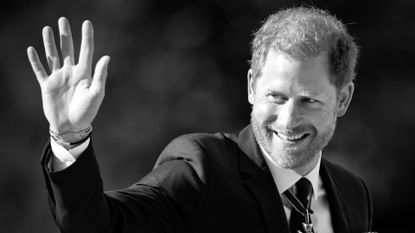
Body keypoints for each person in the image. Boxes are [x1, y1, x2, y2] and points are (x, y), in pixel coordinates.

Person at [28, 6, 373, 233]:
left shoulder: (353, 192)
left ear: (343, 99)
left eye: (309, 100)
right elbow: (97, 226)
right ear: (252, 86)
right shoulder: (203, 168)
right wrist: (69, 136)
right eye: (276, 96)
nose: (288, 119)